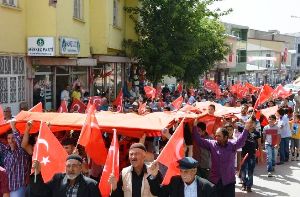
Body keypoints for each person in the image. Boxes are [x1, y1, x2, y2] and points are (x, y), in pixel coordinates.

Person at [192, 118, 252, 197]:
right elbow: (198, 140)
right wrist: (194, 126)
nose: (216, 137)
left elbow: (241, 141)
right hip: (215, 181)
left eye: (219, 136)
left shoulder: (232, 145)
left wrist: (246, 128)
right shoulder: (211, 144)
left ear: (226, 137)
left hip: (229, 181)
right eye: (216, 135)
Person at [28, 154, 101, 197]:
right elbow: (42, 192)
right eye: (68, 166)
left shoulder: (91, 184)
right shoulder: (58, 179)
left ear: (81, 167)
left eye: (74, 166)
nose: (71, 169)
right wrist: (37, 173)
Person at [148, 157, 216, 197]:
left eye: (186, 171)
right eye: (181, 171)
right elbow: (158, 192)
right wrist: (154, 175)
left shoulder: (207, 187)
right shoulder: (175, 181)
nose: (183, 174)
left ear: (194, 171)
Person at [0, 120, 31, 197]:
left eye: (13, 138)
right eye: (9, 138)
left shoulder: (22, 151)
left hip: (18, 188)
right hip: (6, 188)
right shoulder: (6, 151)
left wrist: (13, 127)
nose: (11, 141)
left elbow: (19, 142)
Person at [240, 117, 261, 192]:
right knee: (243, 171)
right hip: (243, 154)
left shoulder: (257, 133)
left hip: (252, 155)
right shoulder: (244, 130)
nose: (251, 124)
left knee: (250, 171)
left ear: (255, 124)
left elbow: (259, 144)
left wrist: (260, 155)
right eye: (249, 122)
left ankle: (249, 186)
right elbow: (234, 125)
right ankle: (243, 183)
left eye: (253, 123)